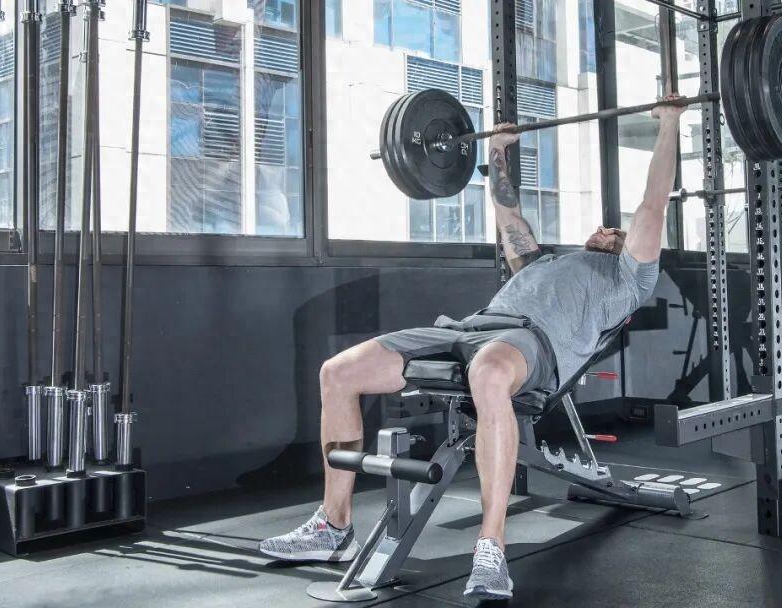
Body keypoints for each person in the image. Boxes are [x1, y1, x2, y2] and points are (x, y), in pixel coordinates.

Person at [258, 96, 686, 600]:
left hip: (533, 342)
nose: (605, 229)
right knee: (338, 372)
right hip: (469, 329)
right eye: (603, 227)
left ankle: (491, 548)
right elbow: (508, 213)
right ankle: (334, 527)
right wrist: (498, 150)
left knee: (488, 373)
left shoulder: (629, 278)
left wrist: (668, 125)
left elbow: (652, 204)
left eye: (615, 231)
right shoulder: (543, 263)